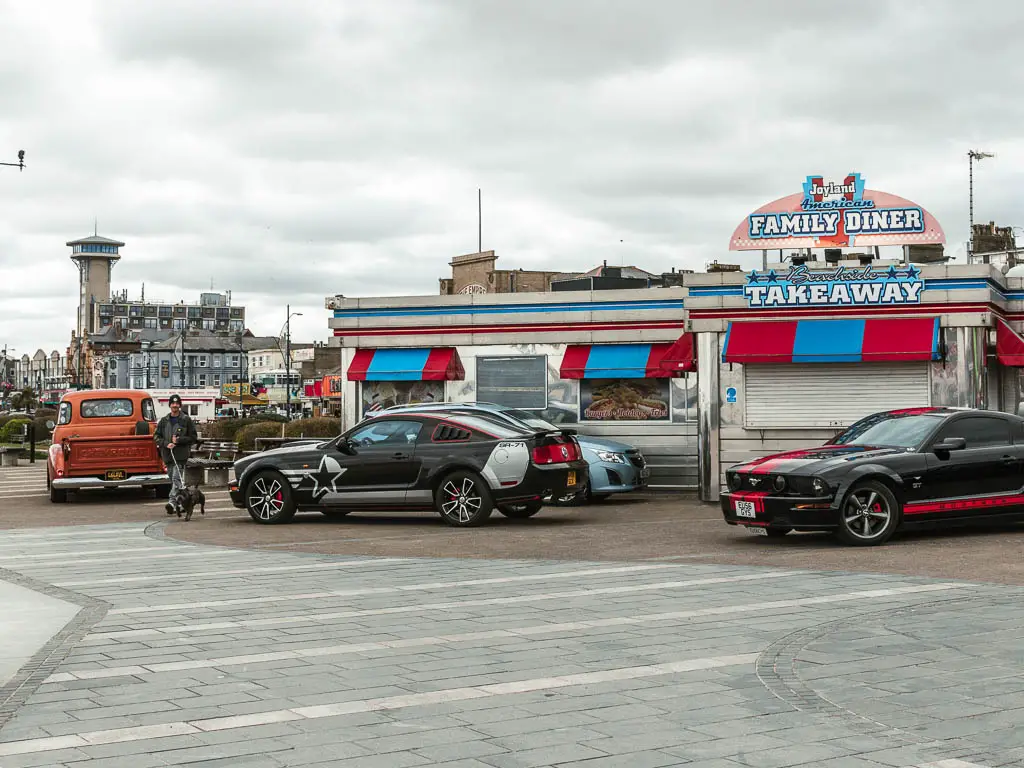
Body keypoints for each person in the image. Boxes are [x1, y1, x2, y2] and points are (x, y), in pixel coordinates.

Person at [154, 394, 198, 515]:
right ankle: (184, 500)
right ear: (170, 405)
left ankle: (172, 502)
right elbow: (156, 436)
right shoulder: (164, 421)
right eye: (173, 404)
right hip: (168, 456)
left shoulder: (186, 420)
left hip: (180, 455)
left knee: (176, 478)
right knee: (175, 482)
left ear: (180, 405)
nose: (175, 406)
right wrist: (165, 443)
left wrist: (179, 441)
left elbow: (193, 437)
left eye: (177, 403)